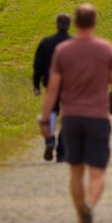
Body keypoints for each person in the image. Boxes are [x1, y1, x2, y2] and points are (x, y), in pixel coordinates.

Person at [40, 3, 112, 223]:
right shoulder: (106, 49)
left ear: (75, 23)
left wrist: (44, 117)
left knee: (76, 172)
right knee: (98, 173)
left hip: (71, 117)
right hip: (98, 117)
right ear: (95, 23)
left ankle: (81, 221)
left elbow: (53, 89)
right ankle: (89, 204)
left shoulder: (63, 51)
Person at [33, 13, 71, 162]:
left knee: (52, 112)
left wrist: (36, 84)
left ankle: (50, 140)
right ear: (69, 25)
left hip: (51, 82)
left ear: (57, 25)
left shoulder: (46, 43)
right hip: (69, 84)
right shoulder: (73, 43)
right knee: (68, 114)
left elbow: (38, 65)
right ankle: (62, 150)